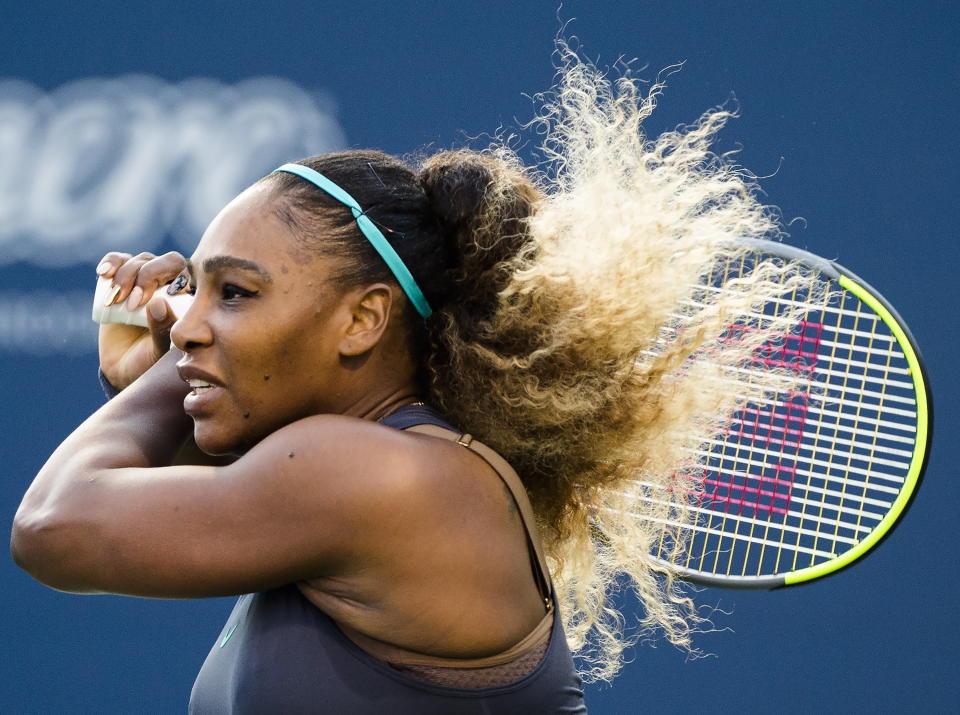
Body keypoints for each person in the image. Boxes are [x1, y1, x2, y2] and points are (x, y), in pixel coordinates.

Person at [12, 50, 808, 712]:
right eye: (201, 291)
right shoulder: (384, 471)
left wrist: (163, 380)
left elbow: (52, 526)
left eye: (237, 292)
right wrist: (150, 377)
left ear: (362, 320)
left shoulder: (372, 476)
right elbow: (180, 496)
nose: (188, 319)